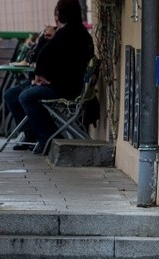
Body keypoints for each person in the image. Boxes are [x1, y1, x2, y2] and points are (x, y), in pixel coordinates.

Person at [15, 0, 94, 155]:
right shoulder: (81, 34)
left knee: (26, 96)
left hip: (64, 89)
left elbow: (45, 56)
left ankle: (48, 136)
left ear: (62, 15)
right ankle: (36, 134)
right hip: (70, 86)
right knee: (20, 93)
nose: (56, 17)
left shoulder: (66, 34)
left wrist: (41, 77)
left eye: (57, 13)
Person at [3, 24, 56, 150]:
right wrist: (42, 39)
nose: (46, 37)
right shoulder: (44, 43)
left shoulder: (58, 44)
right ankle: (28, 133)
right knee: (10, 94)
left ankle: (46, 136)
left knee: (25, 96)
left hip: (50, 83)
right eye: (45, 34)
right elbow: (34, 58)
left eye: (49, 35)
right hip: (35, 80)